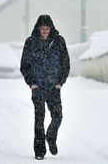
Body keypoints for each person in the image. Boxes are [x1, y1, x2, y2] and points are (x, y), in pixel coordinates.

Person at [20, 15, 70, 160]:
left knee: (58, 116)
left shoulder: (59, 41)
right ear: (38, 28)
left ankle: (51, 136)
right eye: (42, 29)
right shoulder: (30, 42)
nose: (45, 31)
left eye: (47, 29)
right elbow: (24, 66)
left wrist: (60, 82)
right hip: (38, 86)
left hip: (54, 87)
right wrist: (32, 83)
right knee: (39, 118)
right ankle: (39, 151)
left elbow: (65, 63)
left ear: (51, 28)